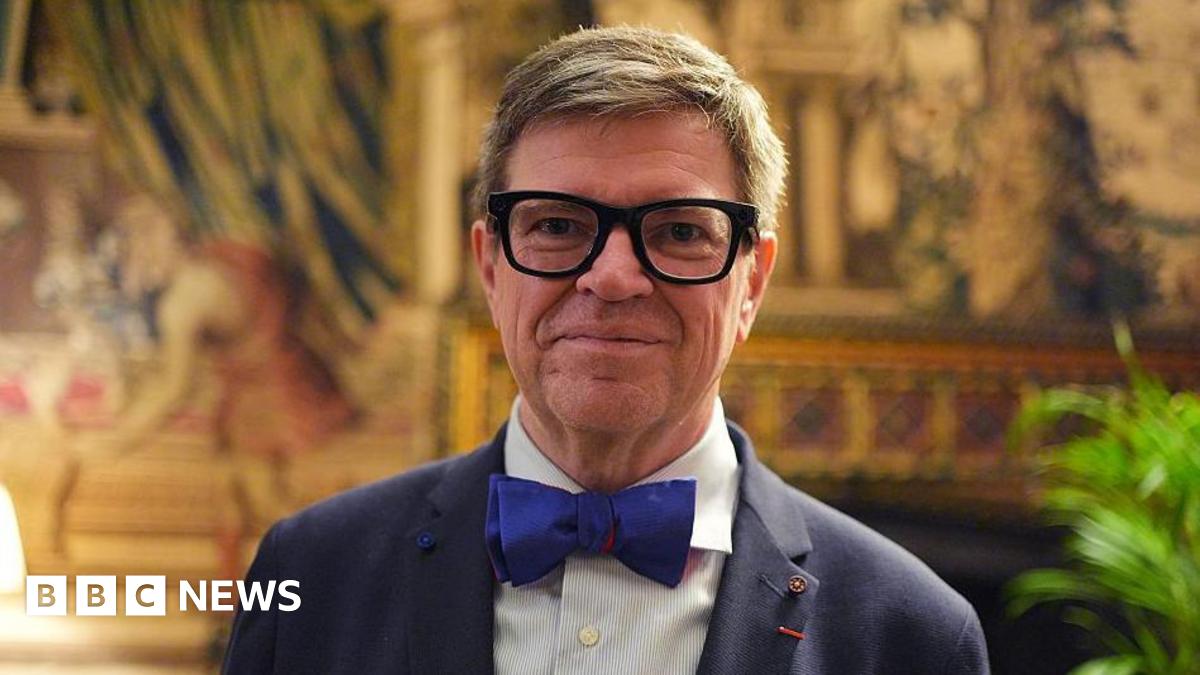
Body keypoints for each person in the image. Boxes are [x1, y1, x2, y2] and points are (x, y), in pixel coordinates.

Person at [223, 26, 989, 674]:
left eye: (680, 231)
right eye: (557, 225)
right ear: (490, 266)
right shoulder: (309, 575)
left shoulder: (914, 634)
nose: (613, 276)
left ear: (752, 280)